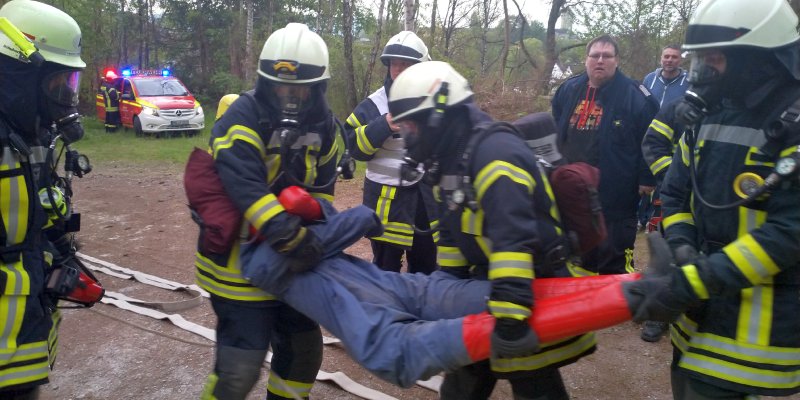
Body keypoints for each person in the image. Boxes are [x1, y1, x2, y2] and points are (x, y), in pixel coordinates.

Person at [239, 184, 639, 389]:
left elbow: (351, 221)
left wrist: (304, 217)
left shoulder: (294, 235)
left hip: (394, 286)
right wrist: (299, 223)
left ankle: (633, 287)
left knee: (497, 298)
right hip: (374, 308)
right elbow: (359, 219)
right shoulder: (257, 261)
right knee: (402, 352)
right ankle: (638, 294)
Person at [387, 60, 597, 399]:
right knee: (461, 386)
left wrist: (512, 316)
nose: (405, 134)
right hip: (485, 294)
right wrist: (448, 293)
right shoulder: (448, 159)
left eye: (410, 125)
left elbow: (513, 238)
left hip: (528, 291)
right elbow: (453, 234)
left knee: (534, 383)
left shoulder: (495, 154)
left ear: (437, 117)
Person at [622, 0, 800, 397]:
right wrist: (683, 249)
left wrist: (696, 280)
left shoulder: (792, 126)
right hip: (695, 326)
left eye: (714, 60)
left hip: (754, 342)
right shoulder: (707, 113)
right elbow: (676, 192)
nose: (702, 73)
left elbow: (789, 233)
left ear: (756, 57)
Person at [194, 23, 340, 400]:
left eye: (299, 88)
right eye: (280, 86)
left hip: (292, 266)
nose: (289, 96)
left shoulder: (326, 125)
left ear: (318, 87)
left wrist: (314, 222)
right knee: (240, 369)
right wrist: (287, 233)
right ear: (264, 82)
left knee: (304, 354)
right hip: (237, 267)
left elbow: (323, 190)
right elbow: (243, 184)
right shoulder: (241, 117)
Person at [0, 0, 88, 398]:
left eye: (68, 85)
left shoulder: (29, 134)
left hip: (22, 333)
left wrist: (58, 251)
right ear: (19, 73)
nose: (64, 97)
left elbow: (31, 207)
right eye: (57, 84)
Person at [551, 34, 659, 275]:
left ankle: (616, 306)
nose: (600, 60)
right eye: (595, 55)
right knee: (578, 253)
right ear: (586, 59)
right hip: (573, 189)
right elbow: (556, 124)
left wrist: (647, 178)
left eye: (607, 56)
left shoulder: (636, 95)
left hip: (616, 191)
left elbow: (653, 139)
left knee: (613, 256)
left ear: (617, 60)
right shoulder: (568, 89)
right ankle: (581, 304)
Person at [344, 31, 439, 274]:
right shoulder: (374, 105)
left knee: (425, 268)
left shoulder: (437, 102)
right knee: (385, 271)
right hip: (386, 206)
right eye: (394, 64)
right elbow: (353, 146)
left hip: (425, 204)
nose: (398, 69)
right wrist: (383, 125)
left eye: (405, 64)